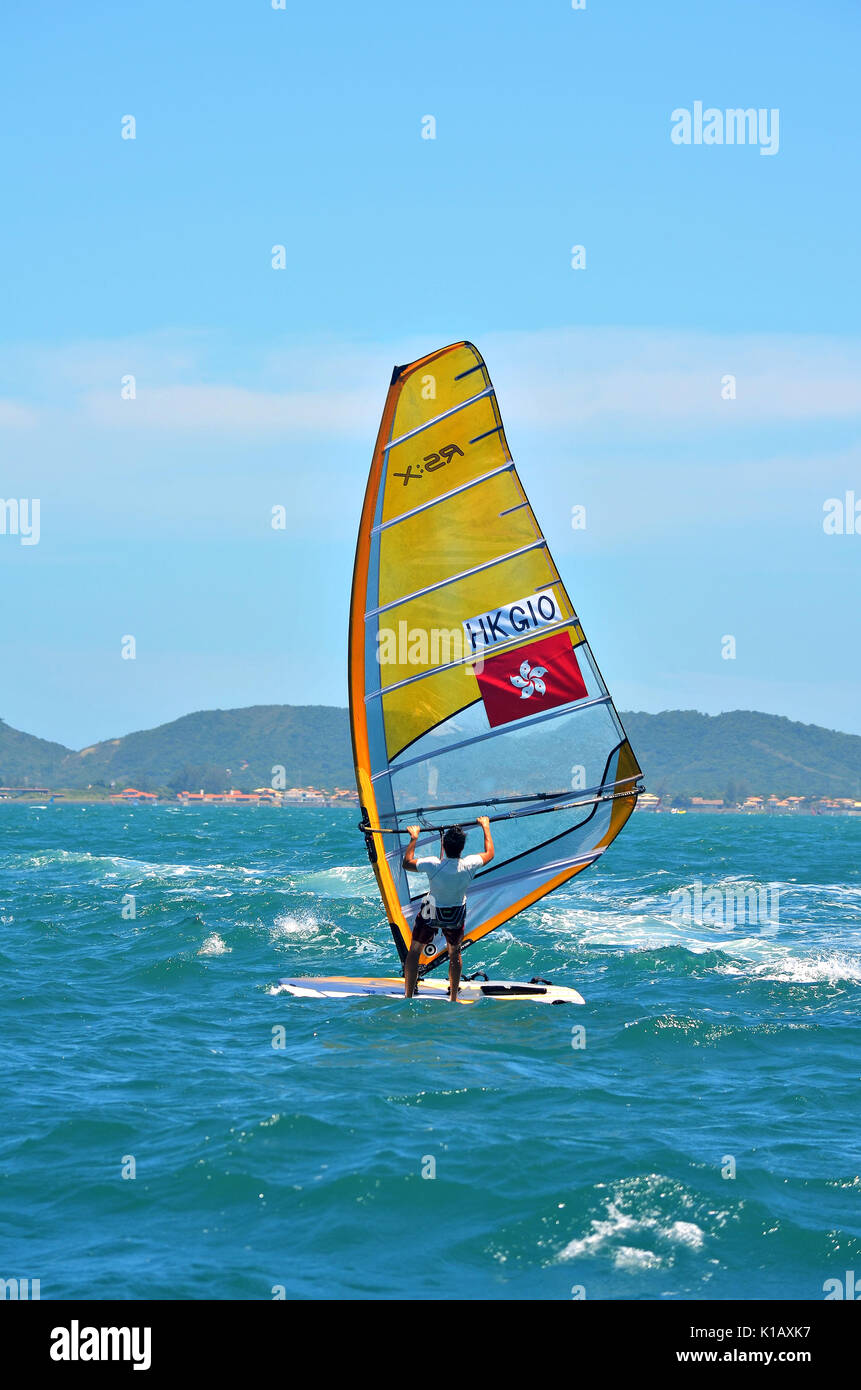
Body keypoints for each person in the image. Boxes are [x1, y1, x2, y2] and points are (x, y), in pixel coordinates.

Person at [401, 816, 495, 1001]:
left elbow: (407, 863)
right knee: (454, 952)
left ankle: (409, 996)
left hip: (432, 910)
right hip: (455, 913)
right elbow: (490, 853)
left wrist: (414, 838)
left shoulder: (433, 864)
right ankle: (453, 997)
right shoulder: (469, 864)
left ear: (443, 846)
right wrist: (485, 826)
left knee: (415, 951)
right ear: (462, 848)